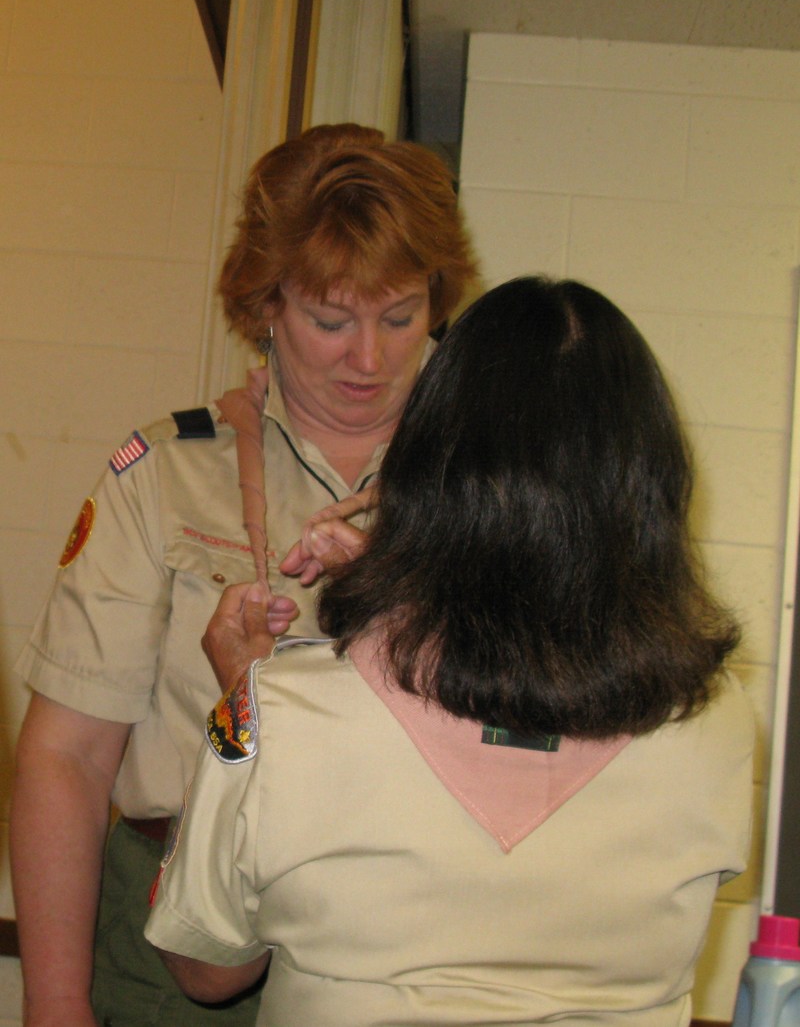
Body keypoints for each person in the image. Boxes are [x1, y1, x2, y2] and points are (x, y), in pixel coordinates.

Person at [145, 276, 754, 1027]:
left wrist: (241, 702)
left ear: (427, 464)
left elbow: (207, 968)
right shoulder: (717, 722)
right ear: (652, 486)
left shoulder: (283, 710)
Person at [10, 122, 478, 1027]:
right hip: (174, 928)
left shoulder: (482, 493)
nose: (369, 359)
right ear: (266, 304)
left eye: (399, 317)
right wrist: (56, 1003)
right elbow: (67, 756)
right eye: (331, 321)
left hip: (397, 945)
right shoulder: (169, 475)